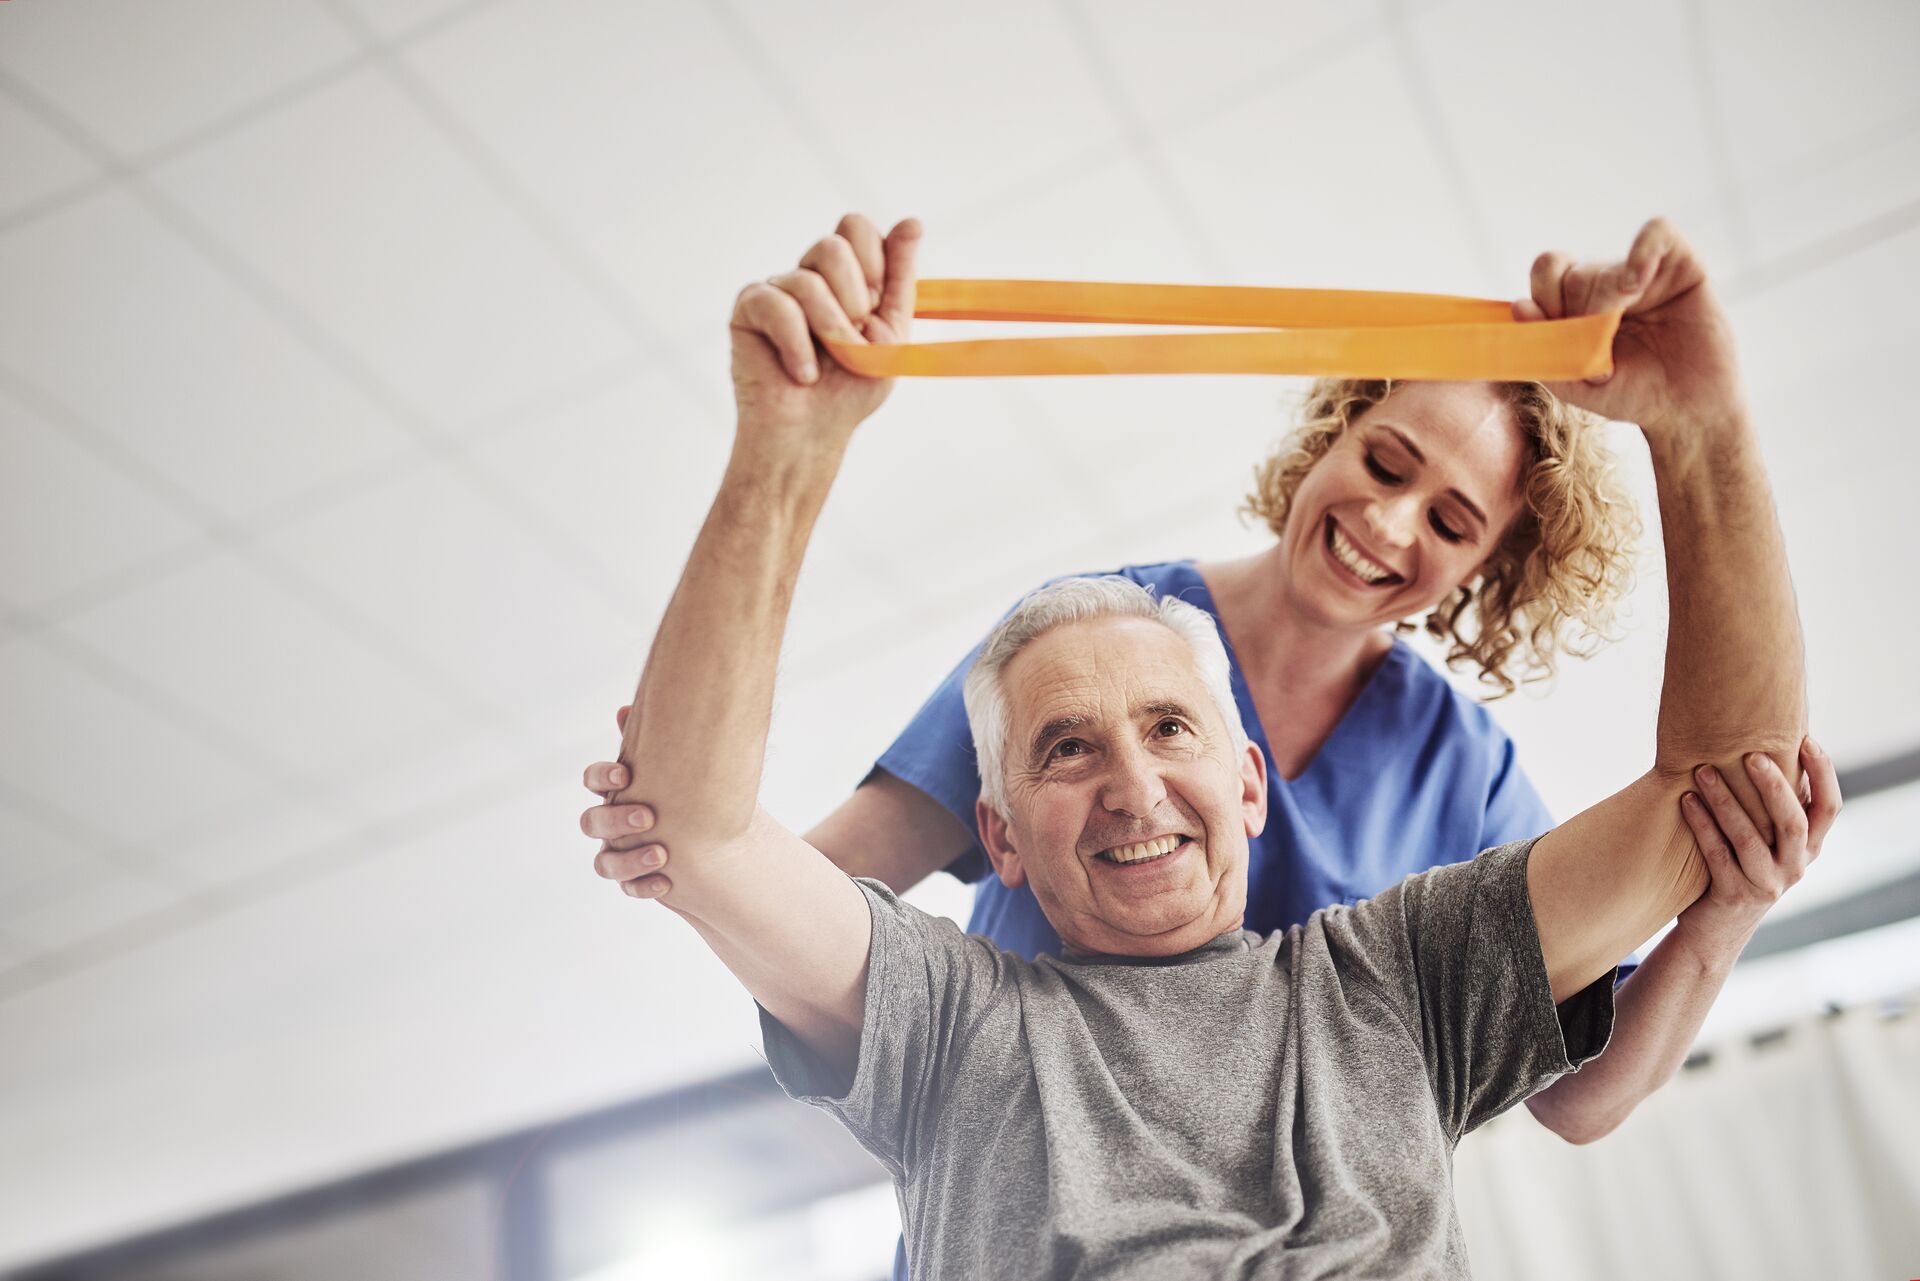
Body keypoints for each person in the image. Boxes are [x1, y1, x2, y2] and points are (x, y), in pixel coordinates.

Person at [585, 215, 1837, 1278]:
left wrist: (1701, 428)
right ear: (998, 831)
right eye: (1069, 748)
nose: (1135, 786)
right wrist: (781, 476)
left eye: (1174, 727)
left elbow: (1689, 848)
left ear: (1246, 783)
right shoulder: (1073, 659)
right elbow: (743, 848)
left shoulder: (1408, 957)